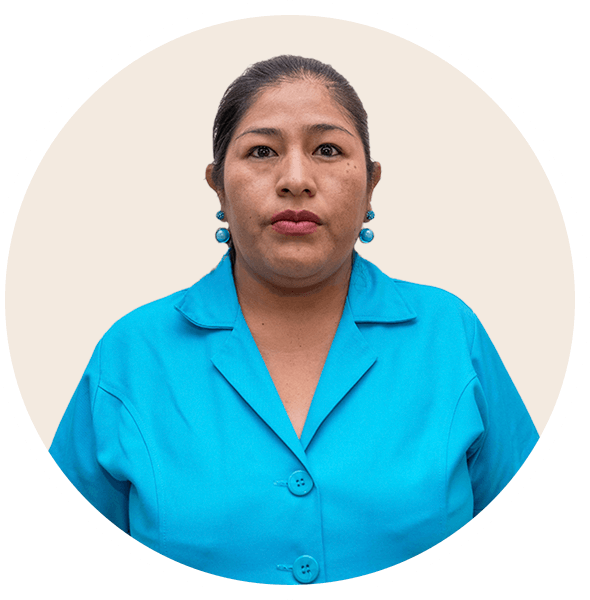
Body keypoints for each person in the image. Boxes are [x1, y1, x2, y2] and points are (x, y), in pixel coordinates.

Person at [49, 55, 539, 585]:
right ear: (217, 185)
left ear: (371, 184)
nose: (296, 180)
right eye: (262, 151)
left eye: (328, 150)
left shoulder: (449, 335)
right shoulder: (131, 353)